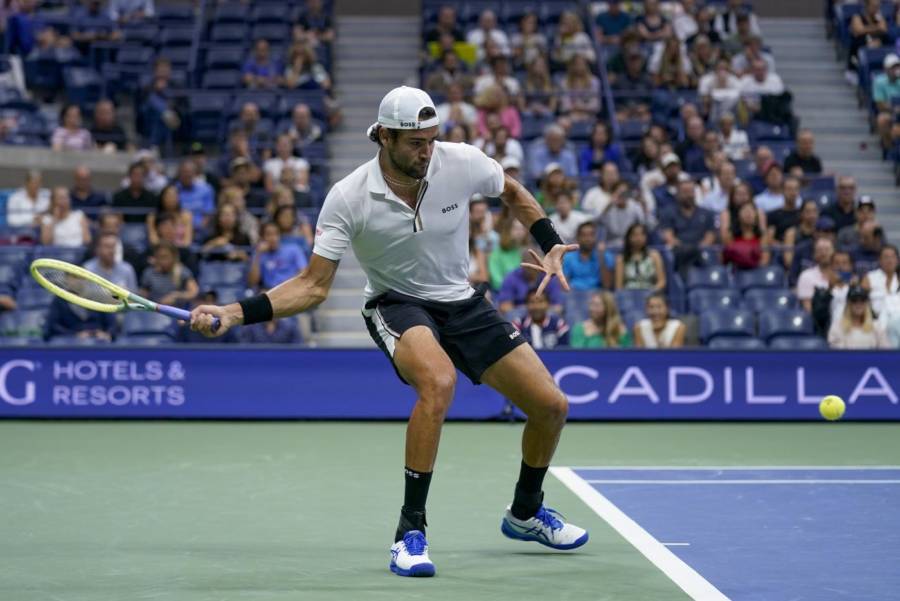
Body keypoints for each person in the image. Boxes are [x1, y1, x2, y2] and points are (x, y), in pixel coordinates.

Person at [189, 86, 588, 577]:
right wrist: (234, 312)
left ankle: (525, 512)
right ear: (384, 137)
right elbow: (313, 286)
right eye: (416, 143)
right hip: (396, 302)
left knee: (552, 406)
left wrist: (549, 240)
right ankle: (409, 533)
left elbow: (510, 190)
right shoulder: (349, 196)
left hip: (461, 300)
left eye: (432, 139)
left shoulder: (459, 161)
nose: (428, 151)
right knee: (438, 382)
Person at [660, 177, 716, 278]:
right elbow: (668, 236)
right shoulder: (668, 213)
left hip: (701, 254)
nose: (689, 195)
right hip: (679, 254)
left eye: (691, 192)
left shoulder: (707, 213)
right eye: (685, 192)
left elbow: (710, 236)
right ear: (678, 194)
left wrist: (697, 249)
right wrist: (685, 249)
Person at [247, 221, 308, 289]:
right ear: (262, 237)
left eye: (276, 234)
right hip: (269, 290)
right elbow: (252, 282)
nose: (273, 238)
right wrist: (258, 255)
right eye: (268, 234)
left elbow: (303, 272)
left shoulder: (294, 249)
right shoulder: (259, 254)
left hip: (291, 288)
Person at [497, 257, 564, 316]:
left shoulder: (549, 276)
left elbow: (558, 307)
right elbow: (504, 306)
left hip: (545, 312)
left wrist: (538, 309)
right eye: (529, 262)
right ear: (522, 263)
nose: (532, 266)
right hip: (520, 315)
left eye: (535, 263)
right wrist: (529, 311)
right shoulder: (511, 277)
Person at [140, 241, 198, 306]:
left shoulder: (182, 271)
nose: (161, 261)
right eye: (158, 257)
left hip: (176, 309)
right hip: (154, 308)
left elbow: (193, 292)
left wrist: (177, 296)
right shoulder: (149, 273)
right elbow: (143, 294)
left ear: (174, 256)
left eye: (165, 257)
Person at [615, 223, 666, 291]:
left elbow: (662, 282)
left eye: (642, 235)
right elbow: (619, 286)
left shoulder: (655, 256)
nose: (639, 238)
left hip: (650, 292)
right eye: (635, 235)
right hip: (629, 293)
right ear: (629, 237)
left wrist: (651, 291)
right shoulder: (621, 258)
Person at [599, 181, 649, 248]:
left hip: (632, 243)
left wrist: (644, 206)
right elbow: (598, 223)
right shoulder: (608, 208)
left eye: (625, 193)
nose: (622, 196)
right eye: (619, 193)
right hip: (612, 244)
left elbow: (646, 224)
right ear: (613, 193)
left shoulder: (635, 207)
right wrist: (609, 205)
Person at [44, 296, 116, 342]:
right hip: (70, 344)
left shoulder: (99, 297)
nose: (78, 281)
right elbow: (53, 326)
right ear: (66, 279)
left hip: (99, 342)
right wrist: (74, 335)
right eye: (73, 278)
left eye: (81, 278)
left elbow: (112, 324)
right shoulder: (59, 300)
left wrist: (107, 334)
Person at [724, 202, 769, 271]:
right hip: (736, 271)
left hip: (757, 272)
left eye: (751, 210)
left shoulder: (763, 237)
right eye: (745, 210)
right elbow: (726, 258)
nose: (748, 213)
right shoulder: (730, 235)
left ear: (756, 216)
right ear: (738, 215)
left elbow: (765, 260)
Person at [797, 237, 835, 313]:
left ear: (834, 253)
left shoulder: (840, 275)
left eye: (827, 250)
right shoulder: (806, 276)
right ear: (814, 254)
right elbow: (808, 309)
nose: (823, 253)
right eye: (820, 250)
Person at [174, 159, 215, 229]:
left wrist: (200, 227)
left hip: (201, 228)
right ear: (179, 174)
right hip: (179, 229)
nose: (187, 174)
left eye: (190, 172)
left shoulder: (206, 189)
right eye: (184, 172)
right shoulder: (173, 190)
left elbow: (209, 213)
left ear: (195, 173)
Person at [562, 221, 603, 291]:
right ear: (578, 238)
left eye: (591, 235)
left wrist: (601, 257)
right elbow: (564, 285)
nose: (588, 239)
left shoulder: (603, 256)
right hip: (574, 293)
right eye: (584, 235)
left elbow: (607, 285)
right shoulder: (568, 258)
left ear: (596, 237)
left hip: (597, 294)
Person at [862, 245, 900, 318]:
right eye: (886, 257)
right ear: (879, 260)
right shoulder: (869, 278)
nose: (890, 260)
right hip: (875, 319)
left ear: (898, 260)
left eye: (893, 257)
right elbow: (861, 301)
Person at [489, 219, 528, 290]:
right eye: (516, 228)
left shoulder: (528, 252)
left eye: (522, 228)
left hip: (526, 293)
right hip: (504, 293)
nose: (519, 232)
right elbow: (496, 281)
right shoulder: (497, 254)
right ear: (508, 231)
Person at [873, 54, 900, 152]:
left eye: (897, 67)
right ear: (886, 69)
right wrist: (894, 109)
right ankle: (890, 149)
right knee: (882, 119)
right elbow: (880, 104)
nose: (895, 70)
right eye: (893, 67)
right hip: (890, 112)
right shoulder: (879, 81)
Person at [766, 176, 802, 243]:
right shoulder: (773, 215)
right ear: (782, 191)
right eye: (789, 189)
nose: (793, 192)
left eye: (796, 189)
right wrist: (785, 246)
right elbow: (769, 239)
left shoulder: (803, 214)